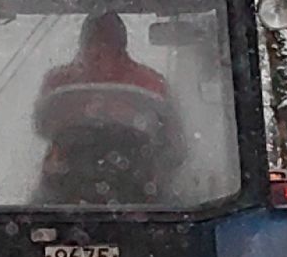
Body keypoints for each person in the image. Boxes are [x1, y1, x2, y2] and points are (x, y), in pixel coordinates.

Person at [31, 11, 180, 204]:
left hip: (136, 179)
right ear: (82, 44)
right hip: (69, 179)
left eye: (106, 43)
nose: (97, 52)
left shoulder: (150, 82)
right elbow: (44, 126)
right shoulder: (58, 81)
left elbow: (172, 141)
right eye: (92, 43)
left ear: (121, 47)